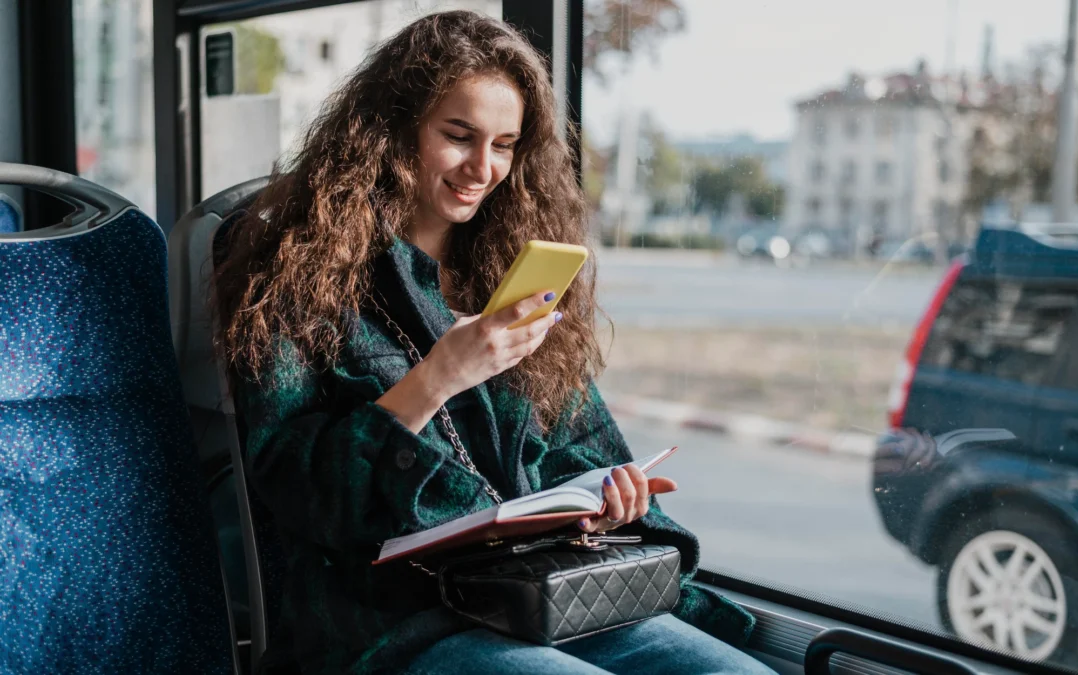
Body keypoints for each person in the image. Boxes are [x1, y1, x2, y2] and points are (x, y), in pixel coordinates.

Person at [213, 10, 775, 675]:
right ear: (395, 126)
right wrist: (436, 377)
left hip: (544, 595)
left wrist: (608, 503)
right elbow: (294, 489)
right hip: (395, 621)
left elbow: (578, 448)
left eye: (505, 144)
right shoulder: (295, 276)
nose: (483, 167)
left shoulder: (512, 272)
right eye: (459, 135)